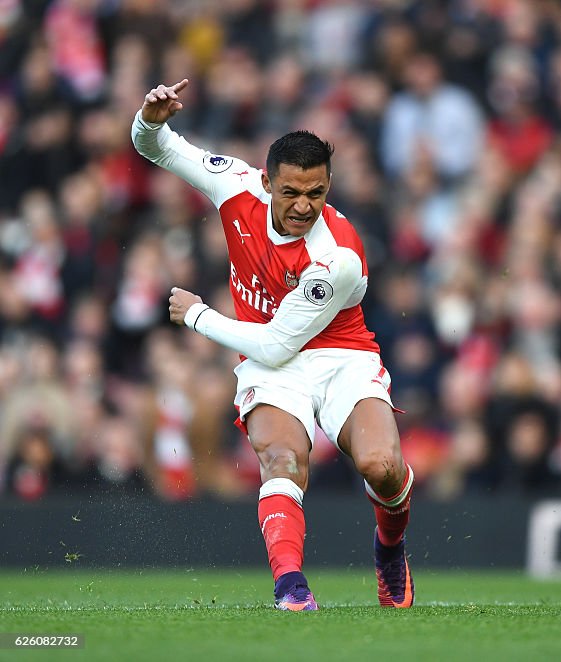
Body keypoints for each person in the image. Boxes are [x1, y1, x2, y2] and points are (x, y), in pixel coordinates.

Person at [132, 79, 415, 610]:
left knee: (383, 467)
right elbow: (158, 147)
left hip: (339, 355)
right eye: (291, 192)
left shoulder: (338, 258)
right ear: (267, 181)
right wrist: (150, 118)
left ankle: (390, 551)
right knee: (283, 459)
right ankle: (291, 587)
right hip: (274, 364)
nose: (304, 207)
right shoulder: (235, 185)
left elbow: (275, 344)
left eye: (317, 193)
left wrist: (197, 315)